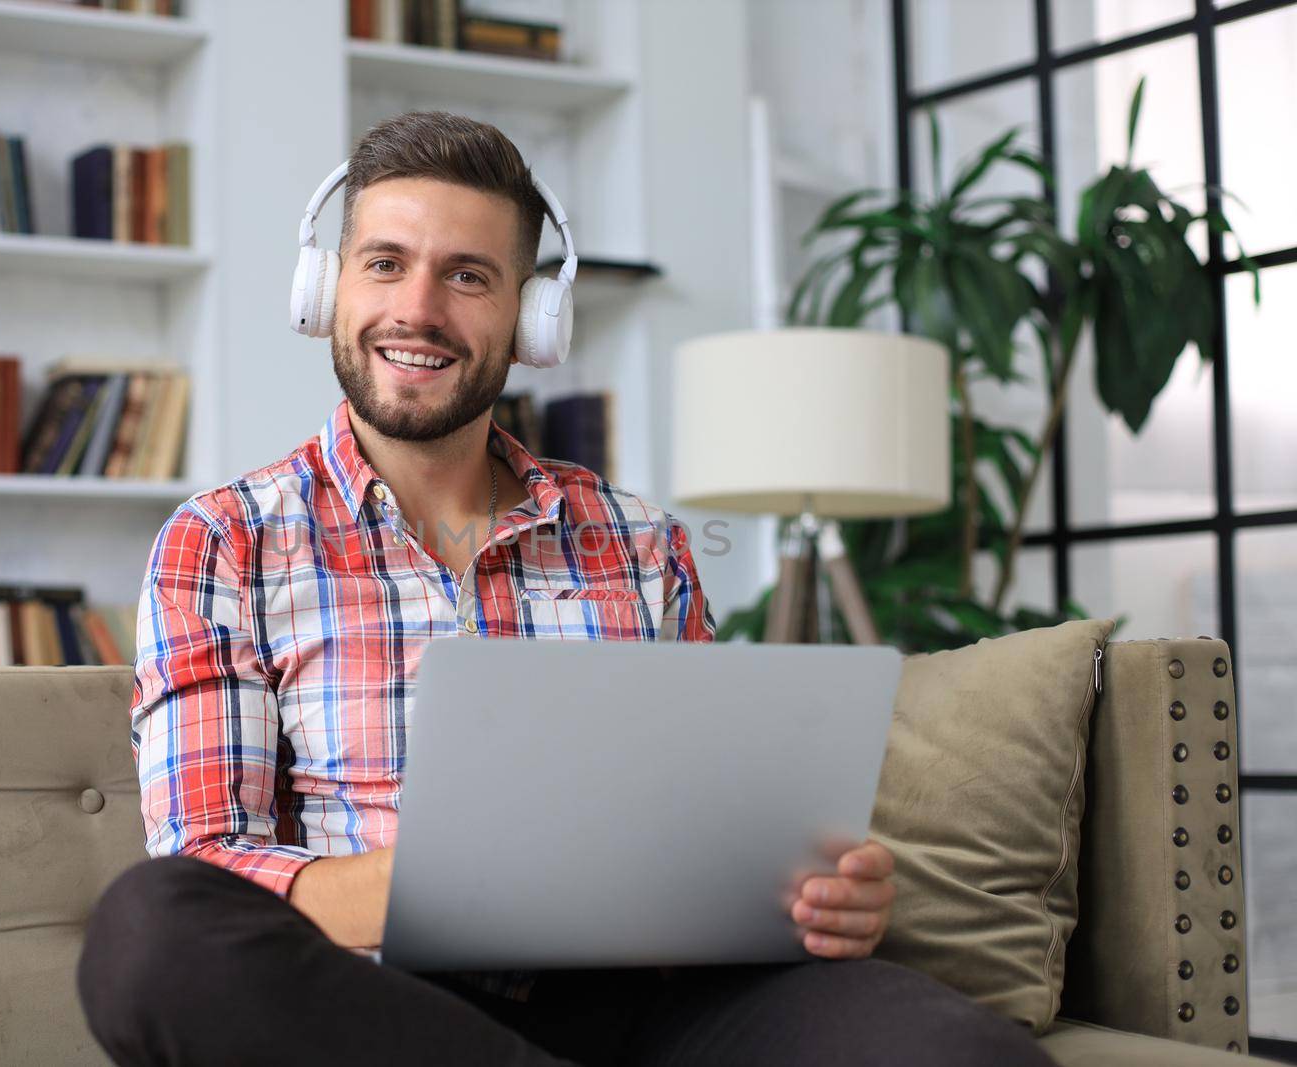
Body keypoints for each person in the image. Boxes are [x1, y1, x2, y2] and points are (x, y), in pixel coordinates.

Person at [77, 110, 1053, 1067]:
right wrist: (457, 883)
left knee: (960, 1048)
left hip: (652, 996)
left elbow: (710, 828)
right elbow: (211, 858)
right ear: (326, 288)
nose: (416, 309)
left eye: (467, 275)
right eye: (384, 262)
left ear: (532, 318)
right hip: (378, 1011)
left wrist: (814, 896)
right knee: (148, 932)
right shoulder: (223, 542)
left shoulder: (642, 542)